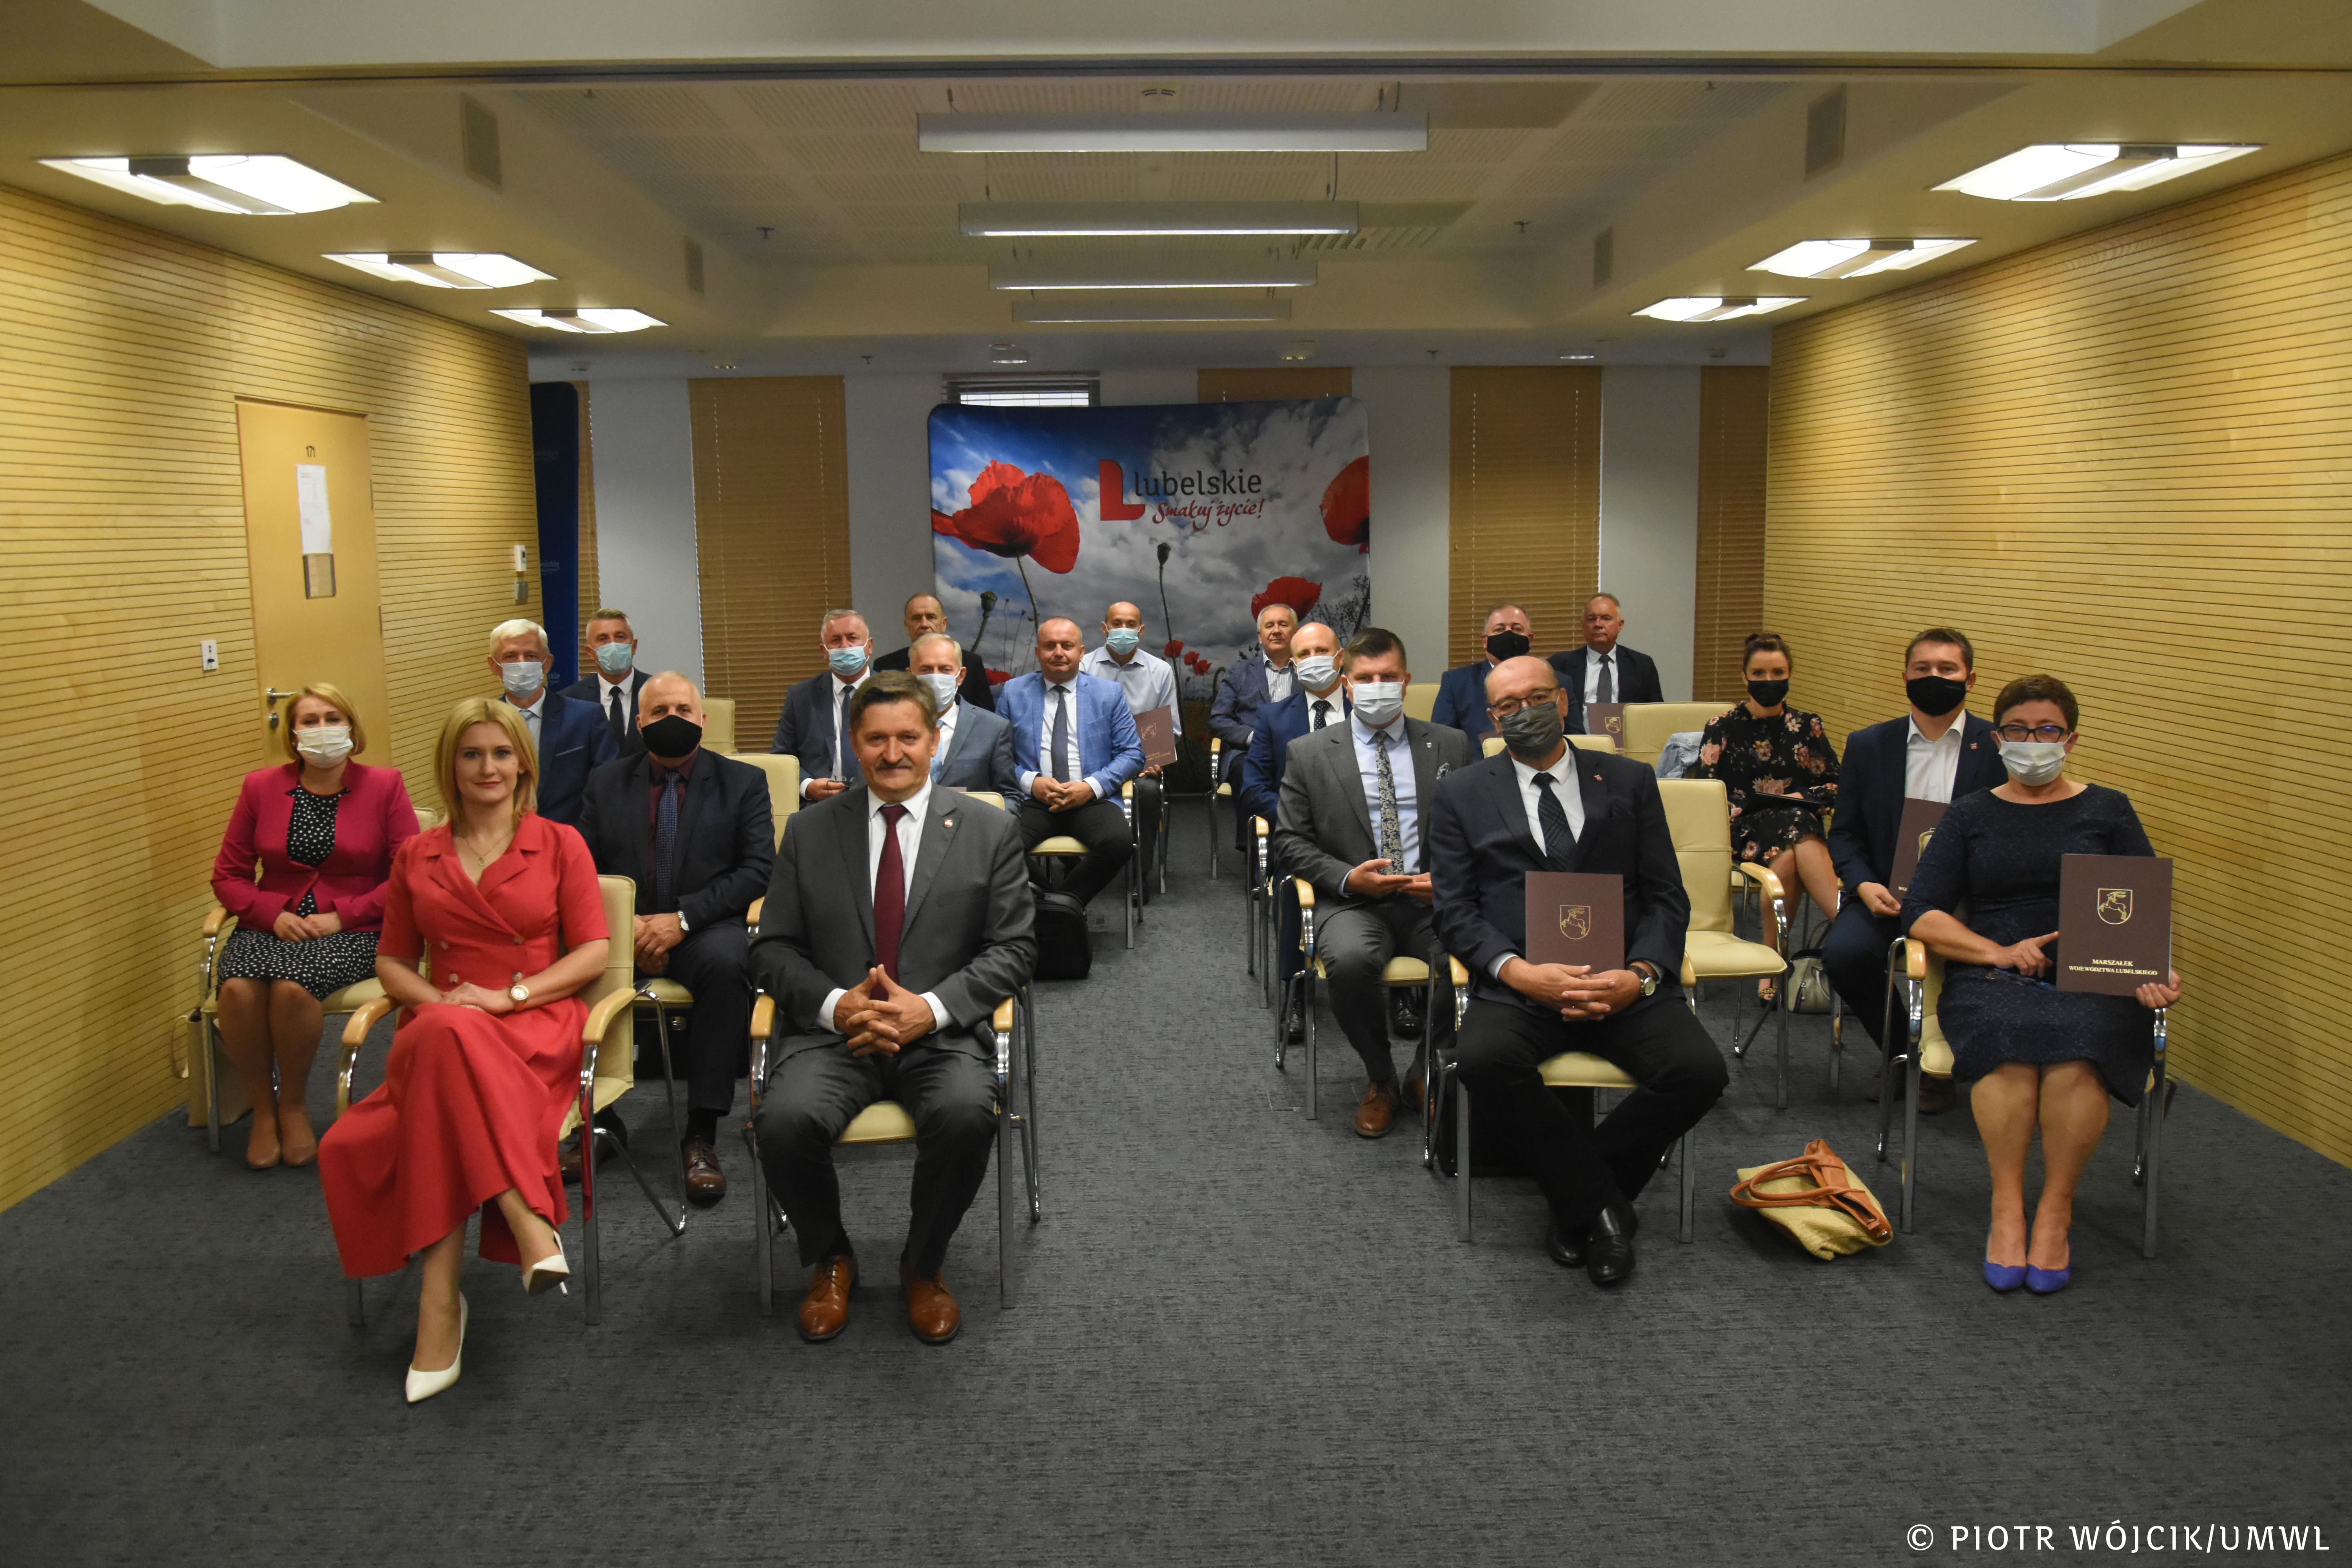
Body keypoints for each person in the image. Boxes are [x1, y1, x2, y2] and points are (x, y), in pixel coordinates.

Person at [318, 698, 611, 1403]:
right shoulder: (416, 854)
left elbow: (594, 953)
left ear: (524, 765)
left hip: (532, 1024)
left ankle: (440, 1305)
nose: (488, 768)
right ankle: (526, 1219)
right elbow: (392, 962)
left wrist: (508, 997)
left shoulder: (560, 843)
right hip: (440, 1023)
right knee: (446, 1040)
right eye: (472, 755)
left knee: (438, 1087)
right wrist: (439, 1004)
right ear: (450, 767)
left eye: (502, 754)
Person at [751, 671, 1036, 1344]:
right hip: (834, 1036)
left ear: (935, 740)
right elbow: (772, 950)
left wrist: (931, 1009)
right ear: (854, 744)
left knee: (967, 1114)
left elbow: (1015, 949)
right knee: (781, 1121)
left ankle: (923, 1263)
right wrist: (835, 1005)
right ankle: (831, 1257)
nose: (893, 753)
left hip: (941, 1034)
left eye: (908, 737)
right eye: (876, 739)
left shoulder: (989, 829)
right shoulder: (809, 831)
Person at [1430, 657, 1727, 1289]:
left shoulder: (1629, 780)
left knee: (1700, 1071)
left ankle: (1579, 1202)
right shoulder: (1461, 792)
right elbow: (1454, 910)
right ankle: (1604, 1211)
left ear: (1564, 702)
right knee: (1482, 1062)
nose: (1525, 713)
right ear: (1493, 719)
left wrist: (1640, 974)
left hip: (1621, 978)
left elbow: (1666, 896)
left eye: (1537, 697)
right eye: (1508, 706)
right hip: (1521, 983)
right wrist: (1517, 973)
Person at [1902, 675, 2181, 1295]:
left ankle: (2055, 1210)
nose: (2034, 743)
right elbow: (1921, 910)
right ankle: (2007, 1208)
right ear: (1998, 739)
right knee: (2008, 1043)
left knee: (2078, 1049)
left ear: (2071, 739)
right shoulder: (1970, 813)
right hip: (1993, 974)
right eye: (2019, 731)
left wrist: (2155, 969)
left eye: (2048, 730)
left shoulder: (2108, 809)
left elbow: (2145, 903)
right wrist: (1997, 951)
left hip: (2097, 977)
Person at [576, 673, 773, 1204]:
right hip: (624, 929)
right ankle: (600, 1120)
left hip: (705, 928)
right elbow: (582, 869)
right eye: (660, 711)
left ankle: (701, 1134)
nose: (673, 719)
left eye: (683, 710)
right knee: (573, 963)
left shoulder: (743, 782)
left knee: (729, 965)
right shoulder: (605, 782)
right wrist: (631, 926)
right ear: (640, 722)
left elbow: (758, 870)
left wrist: (680, 920)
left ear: (702, 720)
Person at [1273, 628, 1479, 1136]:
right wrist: (1348, 878)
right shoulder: (1309, 752)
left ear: (1406, 681)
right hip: (1352, 903)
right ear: (1346, 684)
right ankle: (1381, 1076)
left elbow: (1480, 831)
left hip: (1432, 901)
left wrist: (1447, 880)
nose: (1377, 687)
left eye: (1388, 677)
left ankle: (1424, 1070)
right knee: (1349, 961)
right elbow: (1290, 842)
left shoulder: (1451, 744)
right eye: (1365, 679)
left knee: (1478, 955)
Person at [211, 684, 418, 1169]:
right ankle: (264, 1110)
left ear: (352, 728)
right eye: (309, 721)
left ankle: (293, 1104)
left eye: (332, 718)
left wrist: (343, 915)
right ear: (293, 734)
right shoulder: (260, 787)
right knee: (237, 990)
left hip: (356, 927)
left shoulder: (385, 785)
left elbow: (409, 873)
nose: (322, 729)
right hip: (273, 923)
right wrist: (272, 914)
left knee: (290, 989)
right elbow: (228, 875)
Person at [1823, 628, 2006, 1113]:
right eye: (1922, 669)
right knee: (1843, 954)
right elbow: (1844, 834)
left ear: (1971, 679)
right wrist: (1864, 884)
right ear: (1904, 676)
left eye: (1947, 669)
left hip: (1969, 902)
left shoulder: (1999, 745)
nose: (1934, 677)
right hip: (1888, 895)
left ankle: (1953, 1063)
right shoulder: (1868, 745)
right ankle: (1904, 1054)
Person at [1687, 631, 1842, 991]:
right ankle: (1847, 923)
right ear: (1744, 677)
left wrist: (1798, 796)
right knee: (1792, 833)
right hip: (1744, 829)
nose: (1769, 681)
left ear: (1790, 674)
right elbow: (1704, 794)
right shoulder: (1722, 727)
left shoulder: (1807, 726)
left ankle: (1771, 960)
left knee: (1788, 850)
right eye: (1759, 674)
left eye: (1777, 673)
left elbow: (1836, 785)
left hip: (1795, 826)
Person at [1238, 621, 1349, 1043]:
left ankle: (1404, 994)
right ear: (1294, 663)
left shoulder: (1367, 711)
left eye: (1322, 651)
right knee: (1290, 882)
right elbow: (1253, 789)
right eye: (1303, 655)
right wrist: (1300, 819)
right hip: (1299, 837)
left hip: (1364, 838)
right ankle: (1297, 991)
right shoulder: (1274, 718)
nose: (1313, 660)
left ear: (1340, 657)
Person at [997, 618, 1145, 907]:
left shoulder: (1109, 694)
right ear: (1038, 652)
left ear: (1081, 652)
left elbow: (1132, 754)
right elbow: (998, 757)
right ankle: (1060, 910)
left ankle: (1057, 908)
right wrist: (1031, 782)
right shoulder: (1013, 693)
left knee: (1118, 843)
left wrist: (1090, 787)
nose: (1059, 653)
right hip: (1033, 800)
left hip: (1091, 799)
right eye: (1050, 646)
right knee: (998, 843)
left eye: (1067, 646)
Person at [1079, 601, 1180, 894]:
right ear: (1105, 628)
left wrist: (1148, 760)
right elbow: (1075, 723)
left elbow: (1171, 730)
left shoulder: (1160, 671)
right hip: (1091, 765)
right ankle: (1077, 867)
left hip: (1141, 766)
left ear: (1141, 630)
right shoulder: (1083, 667)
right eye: (1117, 624)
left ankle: (1140, 873)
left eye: (1131, 624)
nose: (1124, 630)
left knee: (1148, 793)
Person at [488, 617, 615, 826]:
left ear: (547, 664)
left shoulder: (586, 718)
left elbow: (608, 788)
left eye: (531, 656)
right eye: (511, 657)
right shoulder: (484, 725)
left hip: (571, 837)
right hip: (503, 838)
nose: (522, 664)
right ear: (495, 666)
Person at [1209, 603, 1300, 848]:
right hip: (1249, 752)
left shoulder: (1308, 672)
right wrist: (1255, 738)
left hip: (1299, 750)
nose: (1276, 631)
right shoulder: (1239, 673)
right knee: (1244, 769)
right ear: (1260, 636)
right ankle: (1252, 846)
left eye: (1283, 625)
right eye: (1270, 626)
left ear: (1296, 632)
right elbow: (1218, 720)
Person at [770, 608, 876, 802]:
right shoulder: (800, 696)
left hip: (880, 800)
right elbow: (782, 758)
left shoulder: (895, 693)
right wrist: (807, 786)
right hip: (819, 805)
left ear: (869, 646)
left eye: (852, 638)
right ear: (824, 652)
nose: (845, 646)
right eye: (836, 640)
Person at [912, 632, 1020, 793]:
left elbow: (1009, 795)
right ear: (911, 675)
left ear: (961, 676)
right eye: (926, 670)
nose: (936, 678)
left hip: (969, 810)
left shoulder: (993, 729)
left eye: (945, 670)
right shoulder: (890, 727)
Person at [1550, 593, 1665, 735]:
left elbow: (1656, 716)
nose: (1598, 625)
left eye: (1606, 618)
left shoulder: (1642, 665)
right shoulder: (1560, 665)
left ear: (1620, 625)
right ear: (1582, 626)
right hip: (1576, 743)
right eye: (1592, 619)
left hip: (1628, 744)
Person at [873, 591, 997, 713]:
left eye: (931, 617)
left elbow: (986, 716)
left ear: (944, 624)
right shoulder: (886, 666)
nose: (924, 624)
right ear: (907, 625)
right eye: (916, 618)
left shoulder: (971, 663)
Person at [1430, 601, 1534, 742]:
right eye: (1500, 630)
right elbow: (1440, 740)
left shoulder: (1553, 682)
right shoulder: (1456, 683)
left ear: (1530, 640)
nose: (1509, 634)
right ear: (1485, 641)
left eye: (1517, 629)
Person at [561, 607, 652, 757]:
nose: (613, 645)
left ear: (634, 647)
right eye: (603, 639)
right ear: (590, 652)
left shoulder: (658, 693)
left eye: (620, 637)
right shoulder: (569, 701)